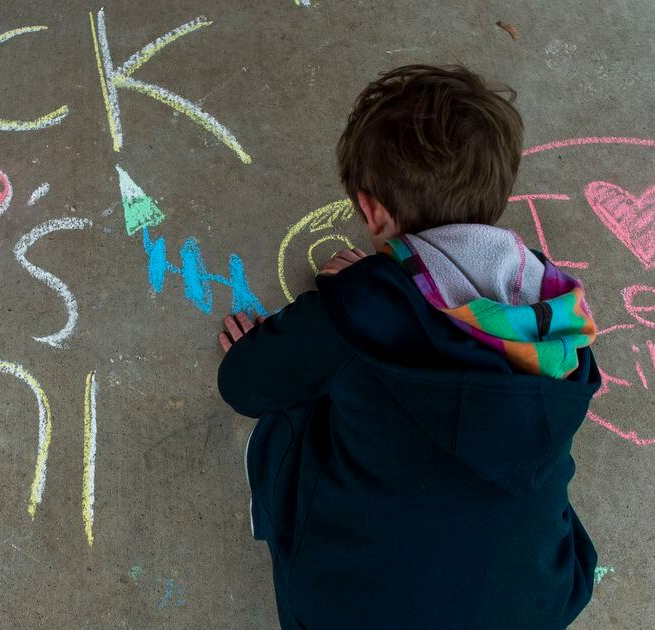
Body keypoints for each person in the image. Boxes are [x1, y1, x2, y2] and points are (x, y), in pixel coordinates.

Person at [216, 65, 600, 629]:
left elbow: (245, 386)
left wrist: (355, 294)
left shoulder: (357, 311)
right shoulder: (554, 314)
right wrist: (382, 282)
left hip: (356, 614)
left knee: (289, 417)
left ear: (372, 210)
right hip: (535, 604)